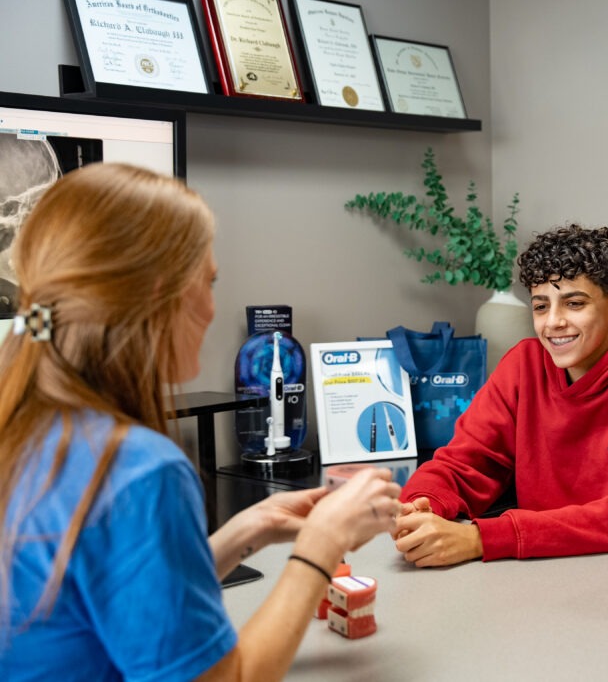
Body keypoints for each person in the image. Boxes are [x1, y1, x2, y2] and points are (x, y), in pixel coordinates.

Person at [0, 163, 402, 682]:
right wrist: (321, 546)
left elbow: (121, 589)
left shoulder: (30, 430)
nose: (213, 308)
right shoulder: (137, 470)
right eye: (208, 282)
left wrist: (249, 530)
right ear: (158, 295)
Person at [393, 224, 608, 567]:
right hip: (539, 566)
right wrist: (421, 505)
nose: (553, 322)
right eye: (541, 307)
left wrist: (481, 538)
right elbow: (463, 464)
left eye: (574, 303)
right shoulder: (522, 365)